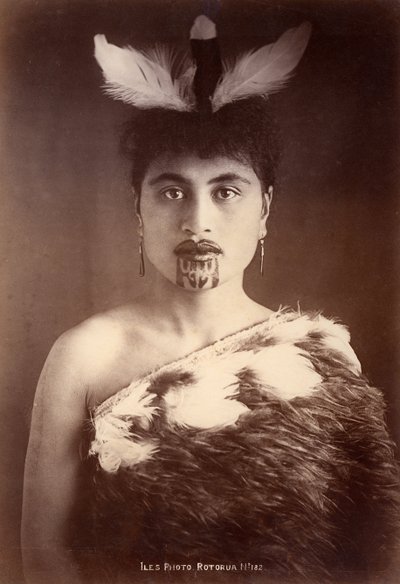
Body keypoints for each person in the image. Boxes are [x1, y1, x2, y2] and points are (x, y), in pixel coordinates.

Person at [21, 14, 399, 584]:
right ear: (138, 209)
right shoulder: (84, 357)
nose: (198, 222)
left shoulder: (321, 356)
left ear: (264, 209)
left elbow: (376, 548)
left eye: (226, 191)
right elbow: (45, 556)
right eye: (172, 191)